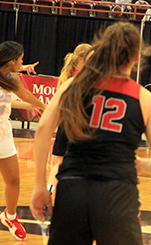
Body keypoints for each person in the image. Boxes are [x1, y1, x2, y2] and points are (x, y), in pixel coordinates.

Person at [30, 21, 151, 245]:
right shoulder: (145, 99)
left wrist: (40, 185)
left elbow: (42, 129)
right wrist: (138, 164)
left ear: (103, 49)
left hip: (72, 189)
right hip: (116, 193)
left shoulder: (74, 85)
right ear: (136, 56)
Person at [0, 40, 46, 241]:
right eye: (20, 59)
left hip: (3, 132)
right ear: (10, 61)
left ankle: (10, 217)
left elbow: (23, 94)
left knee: (14, 180)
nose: (22, 61)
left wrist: (43, 107)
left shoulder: (10, 77)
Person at [46, 43, 92, 195]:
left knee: (60, 164)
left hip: (64, 124)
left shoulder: (65, 76)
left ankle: (49, 192)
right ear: (80, 60)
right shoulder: (83, 79)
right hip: (77, 125)